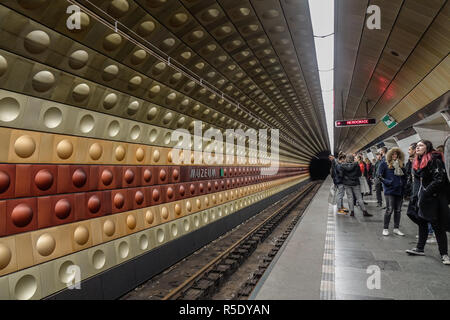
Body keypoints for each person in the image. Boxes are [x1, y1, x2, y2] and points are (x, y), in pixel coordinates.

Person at [406, 140, 450, 265]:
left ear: (427, 147)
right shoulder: (417, 161)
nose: (417, 147)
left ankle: (444, 254)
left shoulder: (434, 159)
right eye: (417, 146)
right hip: (422, 199)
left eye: (421, 145)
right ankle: (420, 248)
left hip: (434, 198)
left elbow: (439, 179)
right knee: (422, 223)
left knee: (438, 227)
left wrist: (426, 192)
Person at [378, 148, 407, 236]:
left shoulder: (401, 165)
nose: (395, 156)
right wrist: (389, 182)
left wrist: (404, 185)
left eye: (396, 154)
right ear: (390, 155)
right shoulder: (384, 164)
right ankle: (385, 228)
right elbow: (379, 176)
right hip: (389, 190)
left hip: (400, 190)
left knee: (398, 210)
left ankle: (396, 228)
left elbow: (404, 177)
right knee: (389, 210)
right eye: (393, 154)